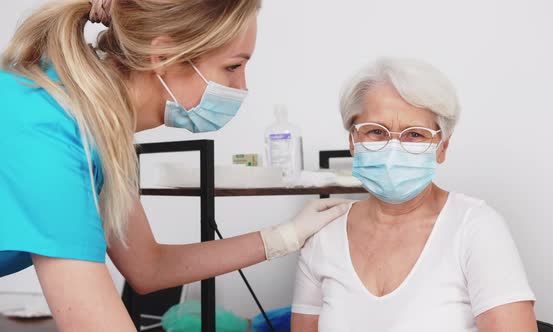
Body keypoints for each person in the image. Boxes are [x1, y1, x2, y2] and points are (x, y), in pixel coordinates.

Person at [0, 1, 349, 330]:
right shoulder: (46, 129)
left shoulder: (100, 131)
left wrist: (286, 235)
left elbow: (148, 267)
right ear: (164, 55)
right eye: (232, 66)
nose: (242, 86)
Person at [291, 57, 537, 331]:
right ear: (352, 142)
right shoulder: (323, 234)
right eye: (376, 131)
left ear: (442, 147)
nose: (393, 149)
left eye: (415, 135)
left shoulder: (476, 228)